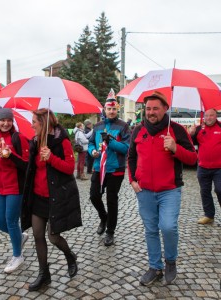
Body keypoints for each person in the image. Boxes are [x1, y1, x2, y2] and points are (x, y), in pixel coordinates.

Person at [128, 91, 197, 286]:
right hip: (145, 191)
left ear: (165, 109)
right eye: (148, 108)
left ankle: (171, 262)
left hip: (169, 190)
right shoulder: (138, 130)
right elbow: (131, 157)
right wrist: (133, 180)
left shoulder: (176, 130)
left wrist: (176, 148)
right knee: (150, 229)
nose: (151, 112)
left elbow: (193, 158)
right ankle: (155, 267)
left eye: (155, 108)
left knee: (168, 226)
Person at [21, 108, 81, 291]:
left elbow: (70, 168)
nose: (31, 125)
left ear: (44, 122)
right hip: (38, 197)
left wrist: (51, 158)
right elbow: (29, 168)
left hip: (56, 197)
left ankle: (69, 255)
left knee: (53, 237)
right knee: (38, 234)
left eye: (34, 121)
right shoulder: (35, 141)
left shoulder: (61, 141)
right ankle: (44, 275)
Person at [0, 108, 30, 273]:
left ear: (12, 122)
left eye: (8, 120)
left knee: (11, 221)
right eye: (2, 120)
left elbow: (27, 165)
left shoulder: (19, 138)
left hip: (15, 187)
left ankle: (18, 256)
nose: (5, 123)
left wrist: (10, 155)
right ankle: (20, 236)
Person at [88, 94, 130, 246]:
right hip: (99, 167)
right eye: (109, 108)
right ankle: (103, 217)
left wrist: (110, 142)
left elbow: (126, 148)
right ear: (104, 109)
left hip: (115, 169)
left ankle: (110, 231)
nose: (111, 111)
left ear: (117, 110)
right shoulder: (98, 126)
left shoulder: (123, 126)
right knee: (94, 196)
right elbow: (91, 143)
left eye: (114, 109)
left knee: (112, 200)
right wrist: (92, 151)